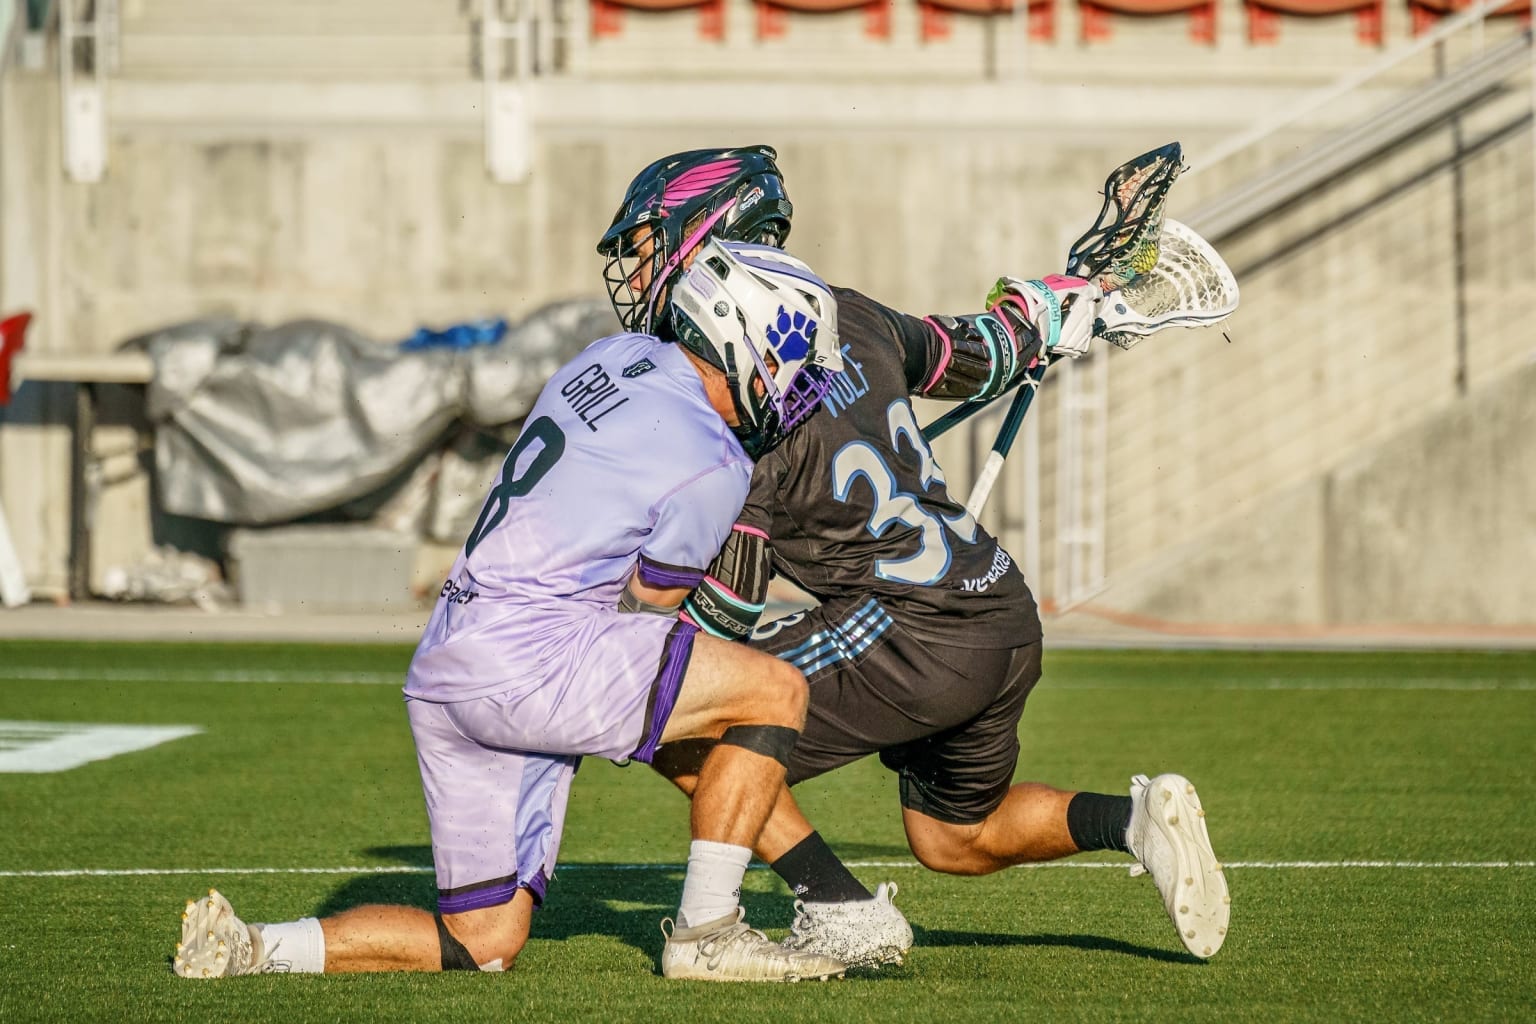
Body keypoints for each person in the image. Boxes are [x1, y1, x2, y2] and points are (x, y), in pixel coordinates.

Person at [596, 145, 1231, 968]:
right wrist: (1057, 309)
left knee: (675, 719)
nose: (637, 268)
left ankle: (836, 908)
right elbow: (986, 350)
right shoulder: (853, 314)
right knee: (953, 835)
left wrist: (616, 619)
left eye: (650, 244)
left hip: (913, 630)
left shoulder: (740, 395)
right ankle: (1134, 822)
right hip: (1000, 612)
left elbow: (725, 618)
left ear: (708, 234)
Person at [171, 236, 852, 983]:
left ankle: (257, 946)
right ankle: (707, 934)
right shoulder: (714, 461)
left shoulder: (605, 356)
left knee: (484, 941)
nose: (799, 386)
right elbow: (650, 607)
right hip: (532, 662)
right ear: (746, 340)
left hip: (448, 661)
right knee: (776, 688)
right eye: (798, 363)